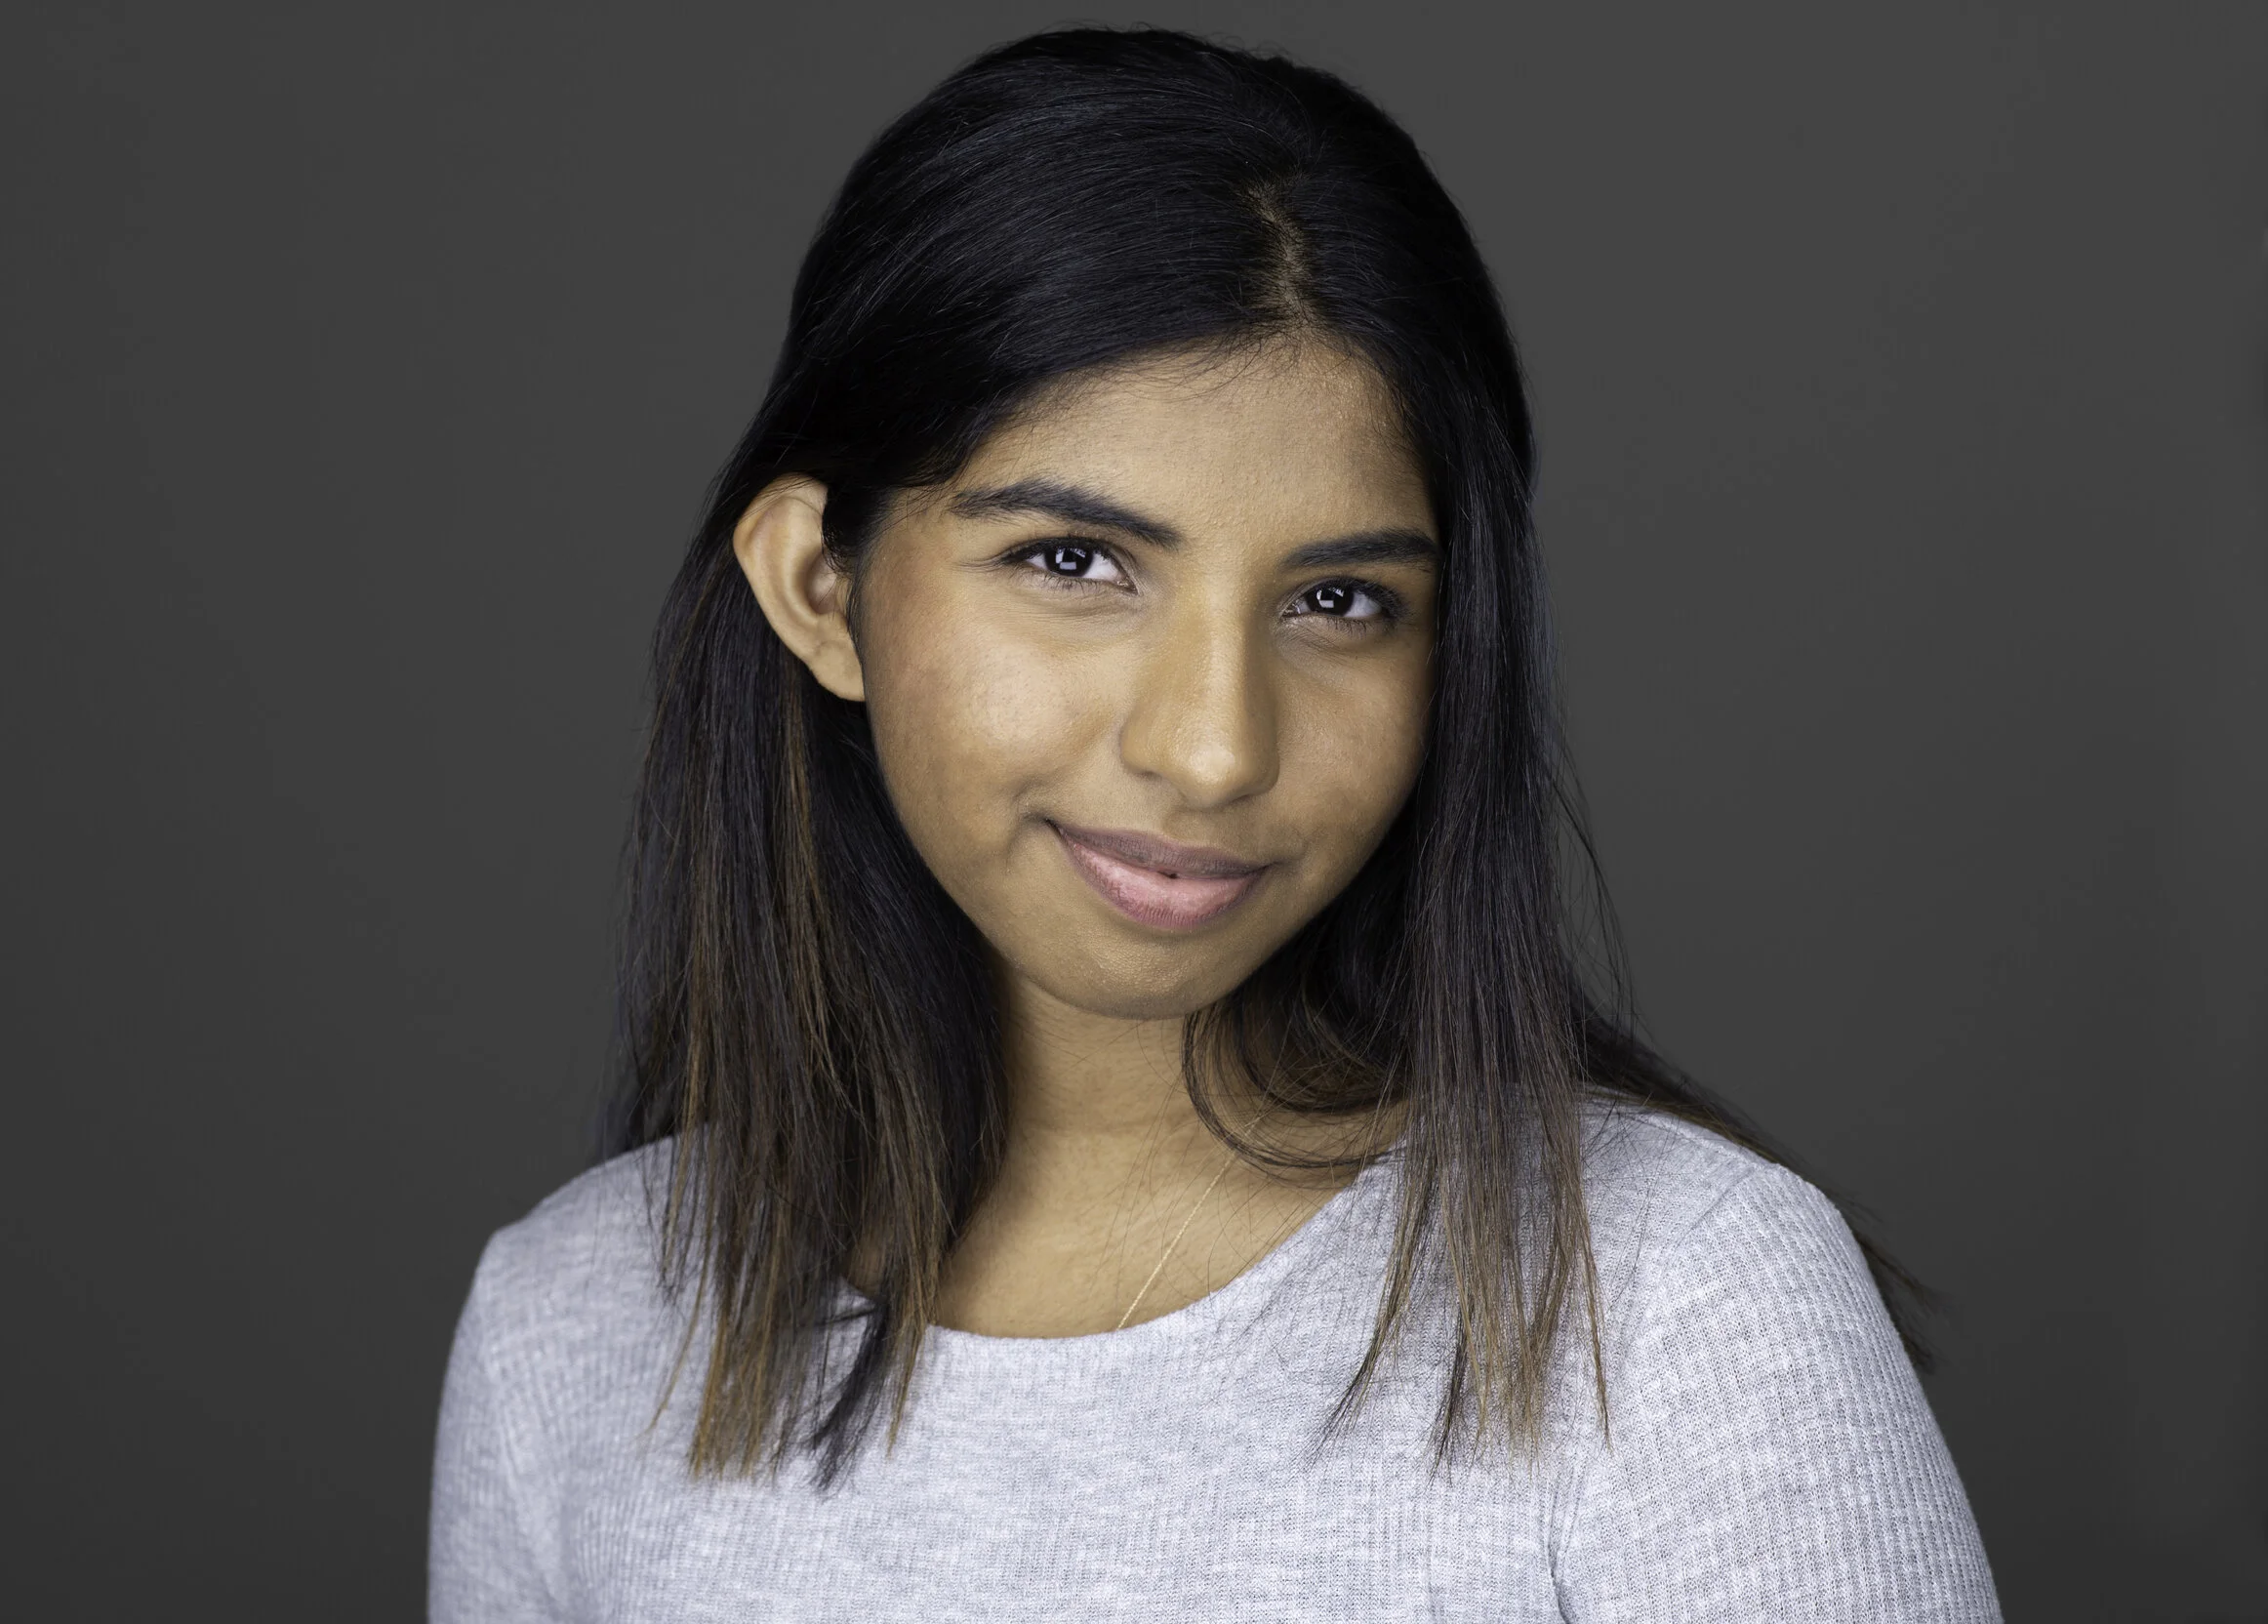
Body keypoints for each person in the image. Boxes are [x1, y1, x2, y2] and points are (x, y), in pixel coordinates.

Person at [430, 26, 2000, 1621]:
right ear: (820, 588)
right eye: (1073, 563)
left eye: (1339, 600)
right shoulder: (573, 1326)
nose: (1211, 751)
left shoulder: (1677, 1299)